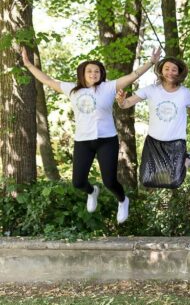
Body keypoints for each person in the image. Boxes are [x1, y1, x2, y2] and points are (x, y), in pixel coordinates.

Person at [20, 46, 161, 223]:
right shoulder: (72, 89)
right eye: (89, 71)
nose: (94, 74)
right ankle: (92, 192)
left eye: (97, 71)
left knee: (110, 182)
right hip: (83, 142)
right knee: (78, 183)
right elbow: (47, 80)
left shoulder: (109, 87)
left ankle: (123, 200)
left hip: (107, 140)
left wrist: (151, 62)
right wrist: (28, 64)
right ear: (82, 73)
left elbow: (133, 76)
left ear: (101, 74)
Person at [117, 56, 190, 189]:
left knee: (175, 182)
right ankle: (186, 160)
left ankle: (188, 159)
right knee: (146, 179)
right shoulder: (151, 89)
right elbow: (126, 104)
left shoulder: (185, 93)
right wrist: (121, 101)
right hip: (153, 142)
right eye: (167, 69)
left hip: (176, 142)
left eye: (174, 70)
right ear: (161, 70)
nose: (170, 72)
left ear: (179, 73)